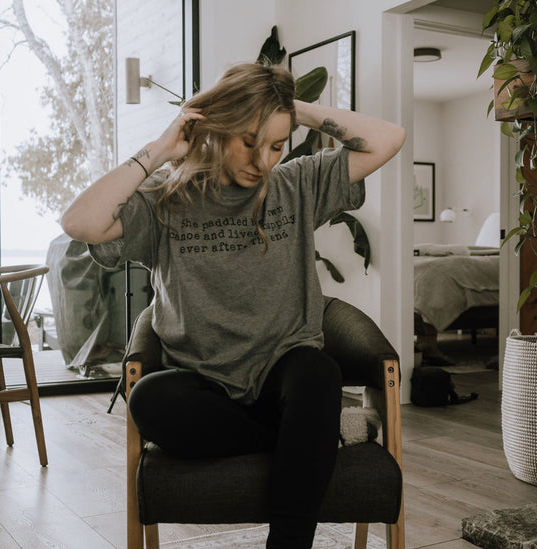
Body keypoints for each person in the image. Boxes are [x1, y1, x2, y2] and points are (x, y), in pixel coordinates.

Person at [62, 62, 405, 549]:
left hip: (283, 373)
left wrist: (293, 109)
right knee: (149, 400)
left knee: (318, 373)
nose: (263, 159)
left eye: (276, 145)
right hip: (204, 385)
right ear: (217, 129)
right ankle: (308, 435)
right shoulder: (165, 201)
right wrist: (161, 148)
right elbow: (80, 222)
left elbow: (389, 137)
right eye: (249, 141)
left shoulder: (297, 185)